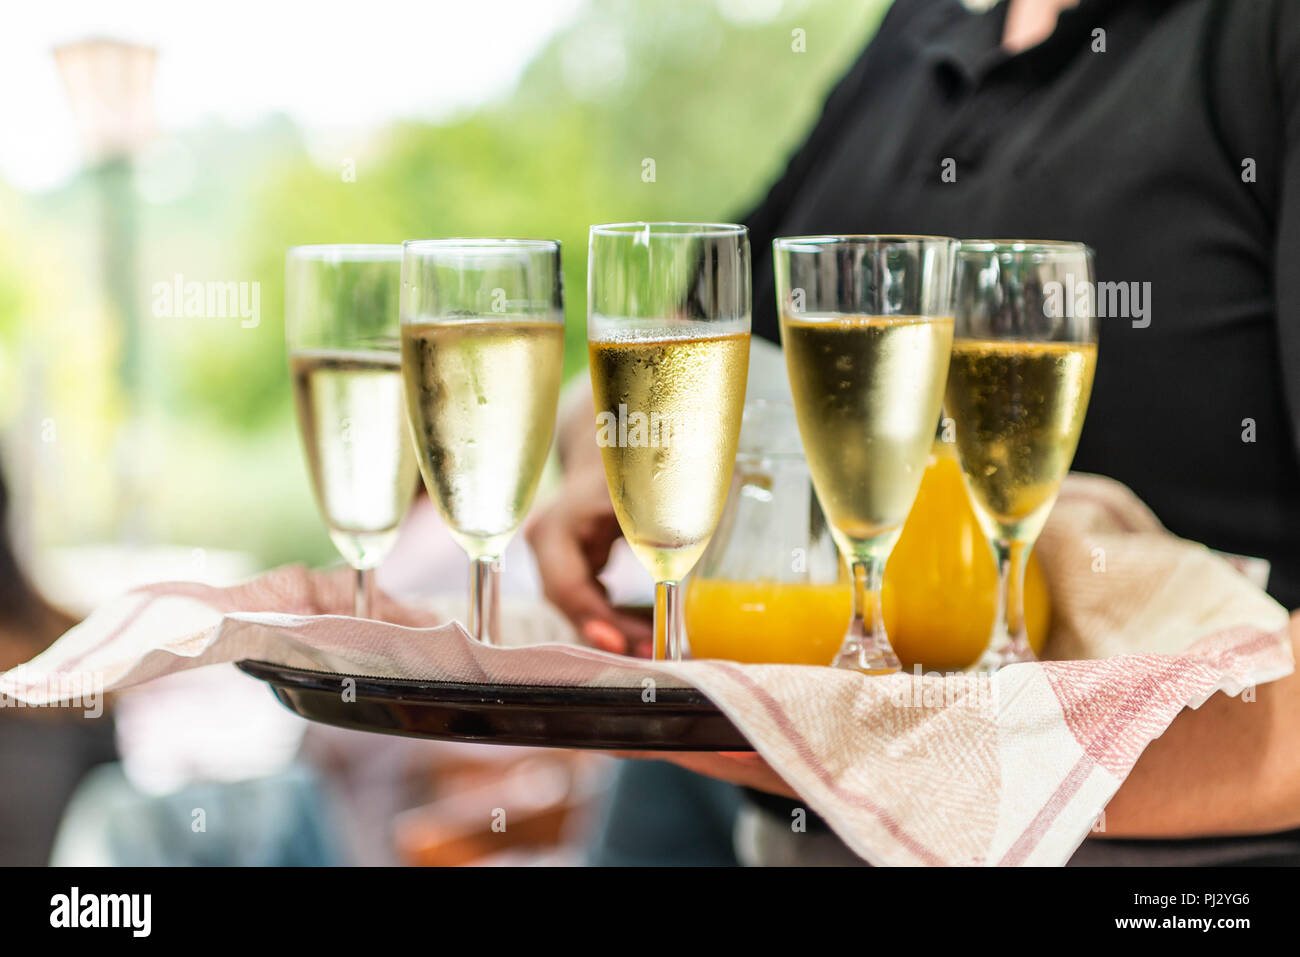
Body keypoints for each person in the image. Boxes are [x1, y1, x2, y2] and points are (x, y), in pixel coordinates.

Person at [528, 0, 1300, 864]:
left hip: (1134, 848)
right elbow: (677, 333)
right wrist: (607, 456)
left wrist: (917, 761)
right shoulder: (915, 32)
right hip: (756, 759)